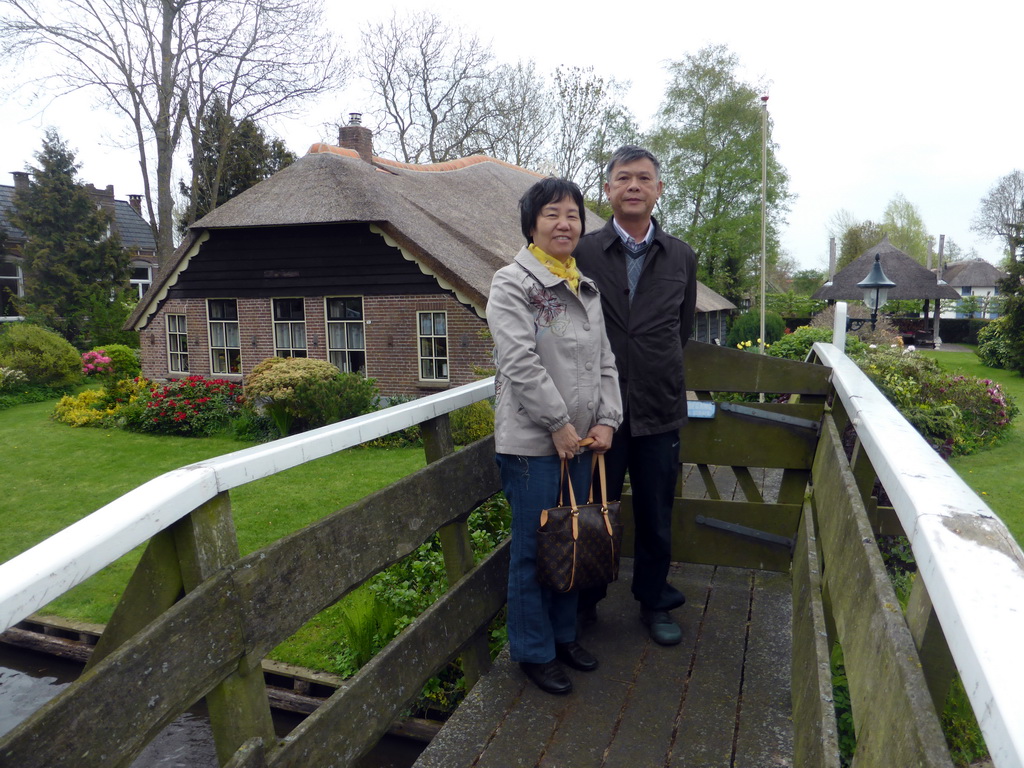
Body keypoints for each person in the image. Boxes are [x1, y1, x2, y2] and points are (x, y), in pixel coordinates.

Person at [487, 177, 622, 695]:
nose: (565, 223)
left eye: (573, 214)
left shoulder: (585, 286)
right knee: (532, 550)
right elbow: (518, 361)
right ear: (531, 224)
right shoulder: (511, 283)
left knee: (574, 535)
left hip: (584, 443)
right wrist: (558, 426)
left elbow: (606, 360)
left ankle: (564, 636)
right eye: (552, 214)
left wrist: (607, 420)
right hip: (533, 445)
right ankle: (534, 651)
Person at [573, 145, 698, 646]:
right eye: (623, 178)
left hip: (660, 407)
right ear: (607, 189)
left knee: (655, 511)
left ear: (658, 189)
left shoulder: (681, 256)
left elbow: (681, 328)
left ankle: (654, 601)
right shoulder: (582, 252)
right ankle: (585, 604)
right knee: (594, 508)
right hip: (599, 412)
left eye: (643, 179)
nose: (633, 187)